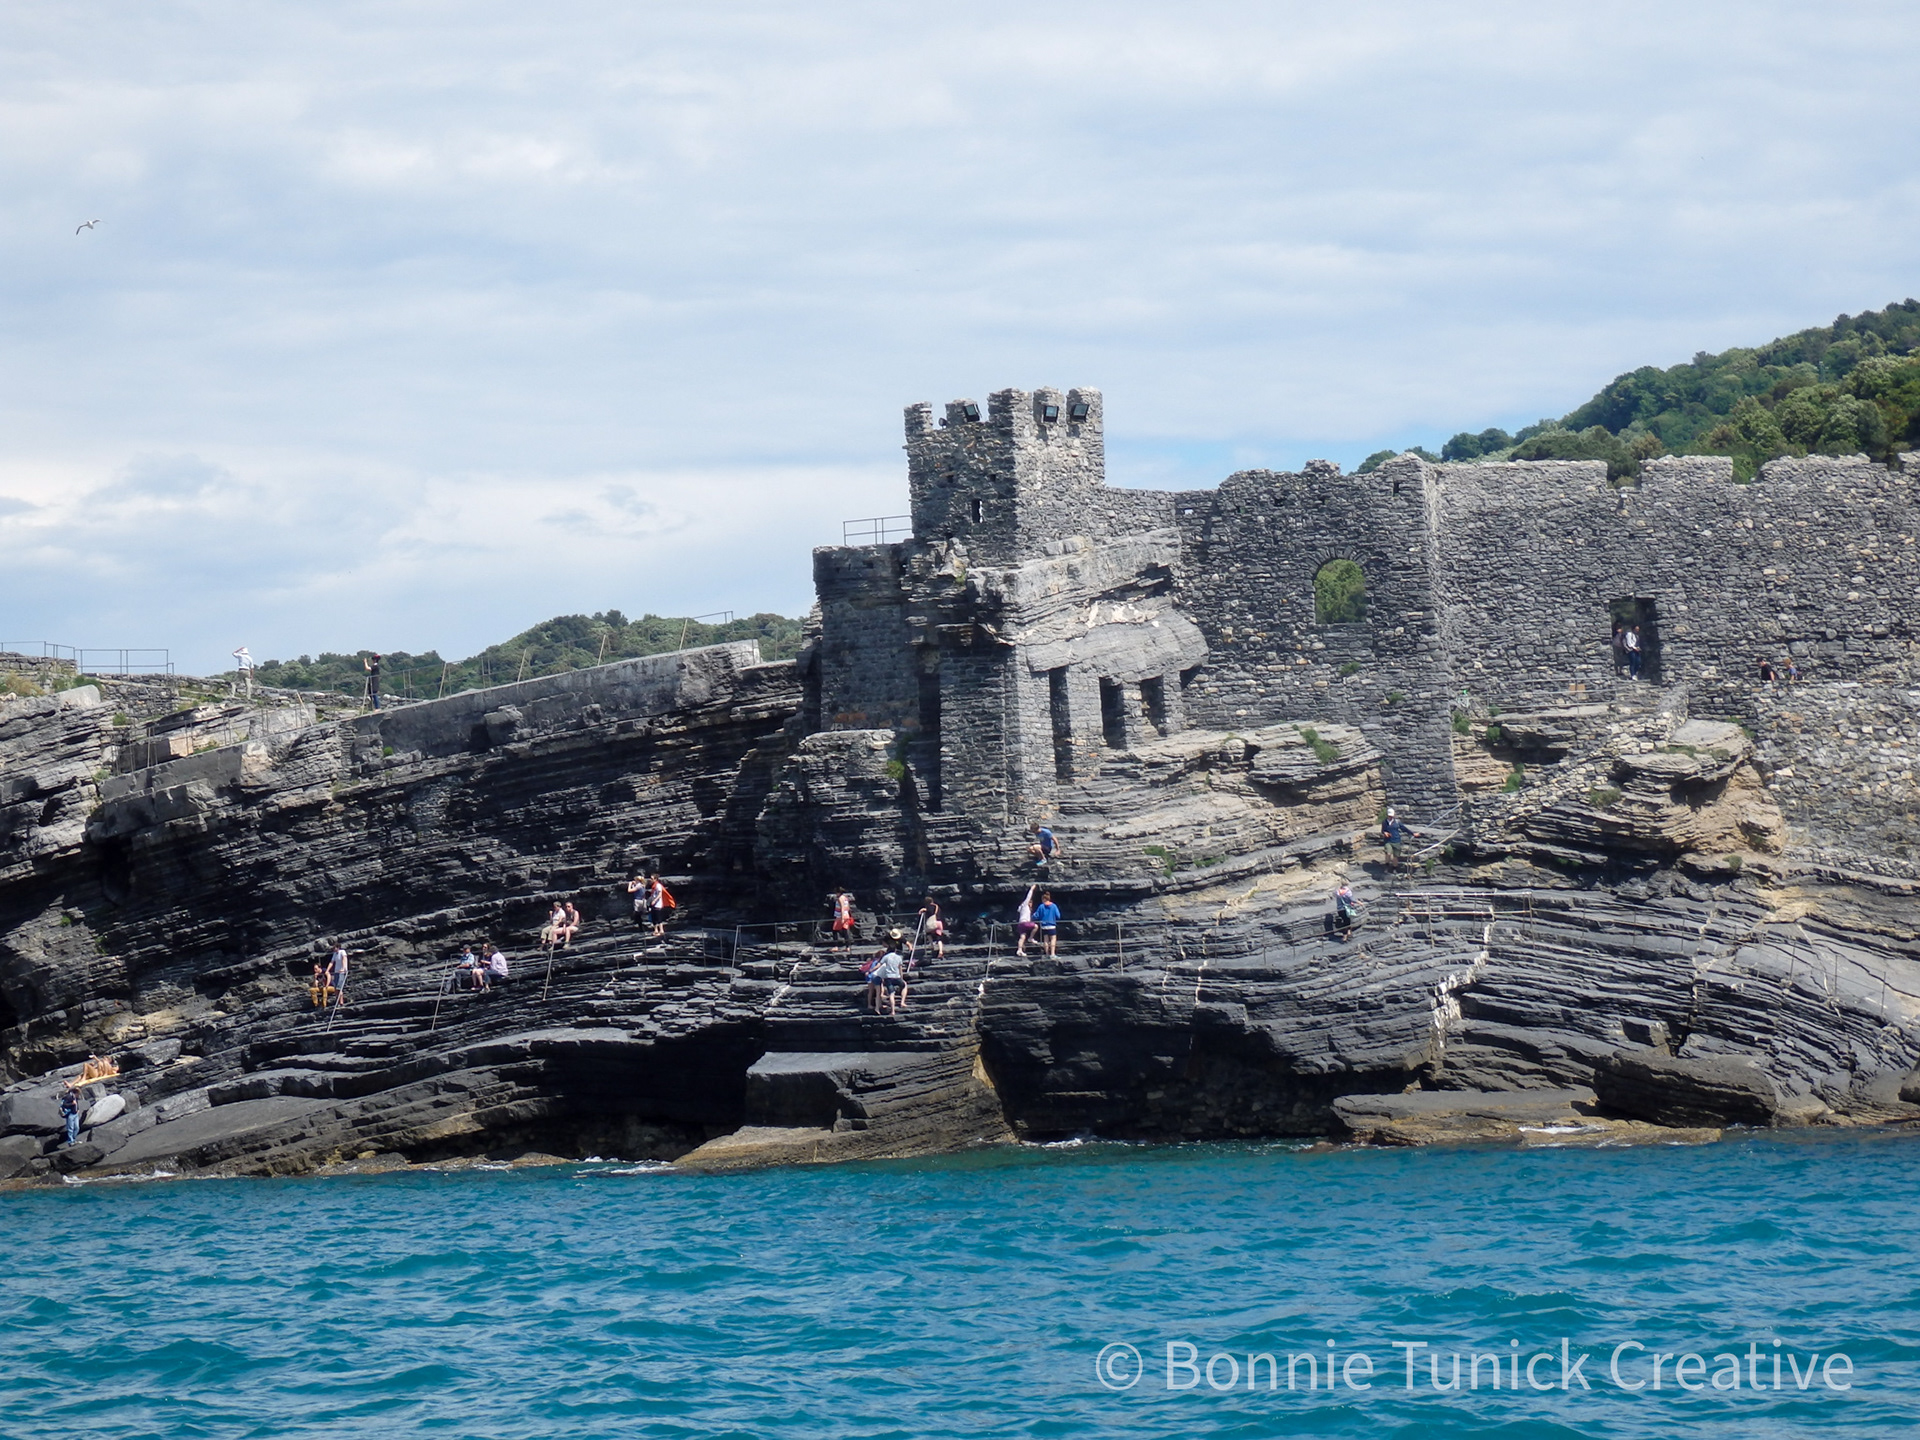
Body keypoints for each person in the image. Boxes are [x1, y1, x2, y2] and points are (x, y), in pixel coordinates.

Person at [874, 944, 905, 1017]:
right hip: (897, 977)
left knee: (891, 994)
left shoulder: (886, 957)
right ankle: (902, 1002)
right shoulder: (899, 957)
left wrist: (871, 970)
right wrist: (901, 978)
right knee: (904, 985)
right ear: (895, 950)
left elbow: (879, 965)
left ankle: (893, 1011)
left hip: (888, 977)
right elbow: (900, 969)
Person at [1033, 891, 1061, 957]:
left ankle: (1047, 954)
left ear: (1043, 899)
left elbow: (1036, 916)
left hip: (1044, 926)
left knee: (1046, 940)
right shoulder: (1054, 906)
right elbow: (1058, 916)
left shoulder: (1041, 906)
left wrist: (1031, 917)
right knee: (1053, 939)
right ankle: (1052, 954)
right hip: (1052, 925)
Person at [1014, 884, 1038, 957]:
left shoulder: (1022, 908)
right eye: (1029, 902)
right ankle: (1030, 938)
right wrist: (1032, 889)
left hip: (1020, 924)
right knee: (1036, 926)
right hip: (1025, 923)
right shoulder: (1025, 905)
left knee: (1022, 937)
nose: (1030, 904)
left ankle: (1019, 950)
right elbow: (1028, 897)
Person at [326, 942, 350, 1006]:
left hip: (342, 972)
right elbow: (331, 962)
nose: (334, 949)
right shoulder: (335, 954)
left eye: (335, 948)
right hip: (336, 972)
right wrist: (327, 970)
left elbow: (344, 959)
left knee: (339, 988)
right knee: (336, 988)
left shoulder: (342, 952)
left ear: (338, 947)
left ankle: (341, 1002)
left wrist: (343, 968)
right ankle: (338, 1001)